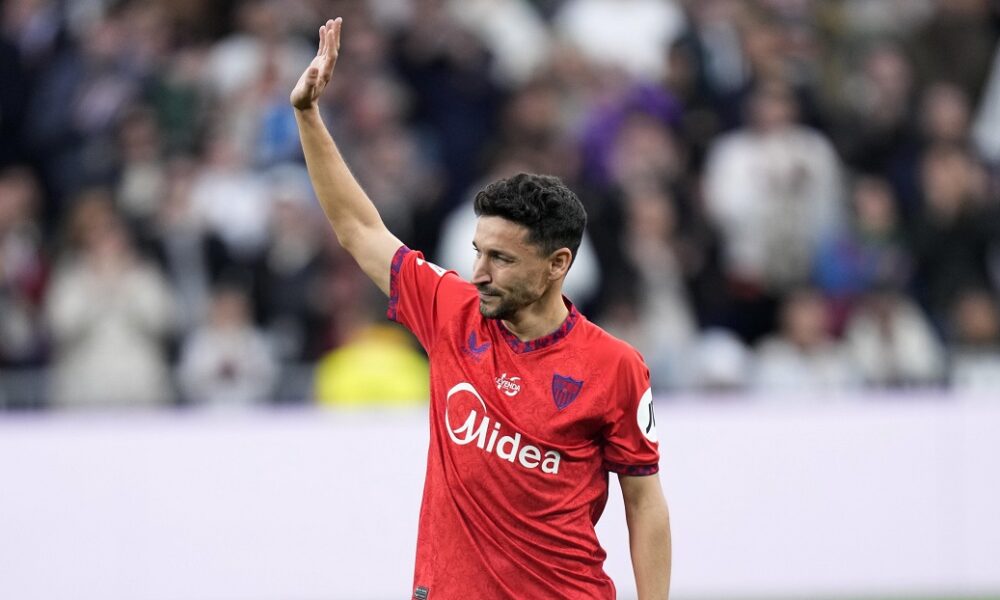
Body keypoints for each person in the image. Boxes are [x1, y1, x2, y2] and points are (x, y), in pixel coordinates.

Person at [291, 18, 671, 599]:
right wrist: (310, 117)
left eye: (501, 258)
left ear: (557, 265)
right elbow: (358, 227)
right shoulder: (451, 311)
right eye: (477, 252)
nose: (478, 272)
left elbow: (643, 502)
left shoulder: (615, 367)